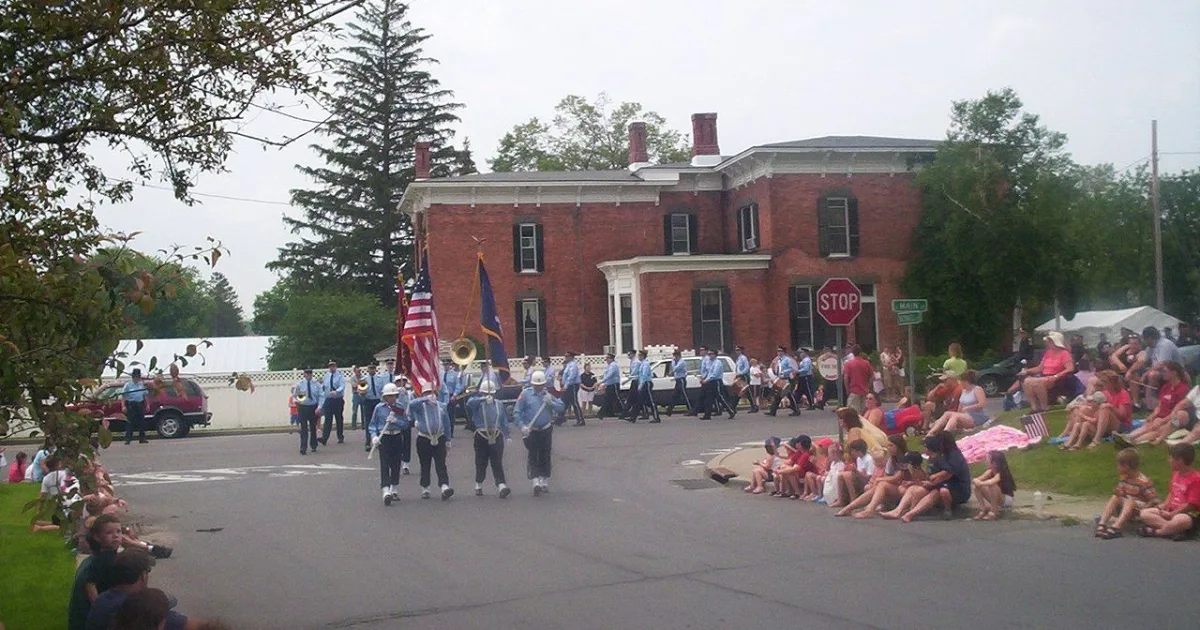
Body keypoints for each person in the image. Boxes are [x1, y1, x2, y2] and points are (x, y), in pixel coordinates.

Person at [85, 550, 204, 630]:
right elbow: (195, 626)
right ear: (143, 575)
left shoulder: (103, 599)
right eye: (148, 571)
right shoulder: (138, 606)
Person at [882, 433, 971, 522]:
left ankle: (911, 513)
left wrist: (934, 479)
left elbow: (949, 473)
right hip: (942, 484)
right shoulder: (937, 457)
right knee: (913, 489)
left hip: (956, 487)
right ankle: (898, 510)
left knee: (932, 493)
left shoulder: (951, 456)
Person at [68, 514, 124, 630]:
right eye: (109, 533)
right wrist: (100, 609)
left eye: (119, 531)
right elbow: (90, 584)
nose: (116, 536)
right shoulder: (101, 560)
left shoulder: (98, 556)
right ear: (97, 537)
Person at [514, 370, 565, 496]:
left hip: (546, 429)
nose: (539, 387)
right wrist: (522, 426)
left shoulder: (548, 395)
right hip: (531, 430)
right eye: (537, 385)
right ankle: (535, 481)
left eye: (541, 385)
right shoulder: (525, 394)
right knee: (533, 454)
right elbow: (517, 412)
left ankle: (544, 479)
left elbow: (561, 408)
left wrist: (551, 403)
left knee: (545, 454)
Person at [1138, 443, 1200, 540]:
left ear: (1180, 460)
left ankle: (1157, 532)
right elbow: (1171, 493)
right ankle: (1175, 531)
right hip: (1171, 510)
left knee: (1180, 520)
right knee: (1144, 513)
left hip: (1187, 514)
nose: (1169, 461)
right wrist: (1163, 506)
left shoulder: (1196, 479)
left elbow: (1191, 505)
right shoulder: (1176, 474)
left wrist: (1172, 514)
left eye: (1171, 458)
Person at [1095, 448, 1158, 539]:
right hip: (1125, 507)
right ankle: (1102, 523)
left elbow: (1154, 500)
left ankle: (1117, 526)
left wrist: (1144, 508)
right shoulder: (1124, 478)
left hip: (1138, 508)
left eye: (1119, 465)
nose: (1117, 467)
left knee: (1130, 501)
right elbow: (1120, 493)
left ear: (1126, 466)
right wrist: (1119, 493)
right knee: (1115, 497)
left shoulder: (1143, 482)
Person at [1124, 361, 1191, 446]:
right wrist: (1153, 415)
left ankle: (1134, 441)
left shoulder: (1183, 389)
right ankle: (1129, 437)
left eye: (1165, 371)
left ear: (1174, 373)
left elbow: (1178, 411)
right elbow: (1159, 406)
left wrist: (1162, 420)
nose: (1163, 373)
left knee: (1157, 428)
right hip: (1161, 417)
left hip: (1174, 418)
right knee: (1149, 424)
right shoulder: (1166, 387)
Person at [842, 435, 909, 519]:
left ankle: (869, 510)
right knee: (878, 486)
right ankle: (850, 507)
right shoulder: (891, 459)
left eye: (891, 445)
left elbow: (898, 477)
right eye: (888, 445)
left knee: (882, 484)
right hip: (895, 486)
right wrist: (880, 480)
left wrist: (879, 479)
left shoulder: (906, 457)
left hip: (905, 487)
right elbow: (887, 475)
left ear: (898, 446)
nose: (888, 448)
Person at [1061, 371, 1132, 450]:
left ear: (1112, 383)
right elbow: (1091, 405)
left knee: (1105, 409)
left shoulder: (1123, 394)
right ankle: (1075, 434)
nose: (1103, 384)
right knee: (1084, 409)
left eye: (1105, 382)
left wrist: (1111, 407)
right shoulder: (1105, 392)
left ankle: (1097, 440)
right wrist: (1079, 407)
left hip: (1121, 425)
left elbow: (1122, 416)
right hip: (1105, 422)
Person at [466, 379, 511, 498]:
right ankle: (478, 483)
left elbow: (503, 420)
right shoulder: (477, 403)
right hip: (481, 435)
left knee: (497, 461)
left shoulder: (498, 404)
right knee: (481, 462)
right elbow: (469, 403)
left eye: (490, 393)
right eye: (485, 393)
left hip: (496, 434)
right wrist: (482, 399)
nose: (488, 395)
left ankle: (501, 485)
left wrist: (507, 435)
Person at [407, 390, 454, 500]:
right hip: (424, 438)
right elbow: (411, 405)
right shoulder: (420, 407)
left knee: (441, 463)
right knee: (425, 464)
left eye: (432, 393)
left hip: (439, 437)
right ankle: (425, 487)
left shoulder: (441, 406)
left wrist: (448, 439)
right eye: (427, 393)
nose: (430, 395)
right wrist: (425, 399)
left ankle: (444, 486)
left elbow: (447, 423)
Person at [368, 383, 409, 506]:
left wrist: (396, 421)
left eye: (393, 396)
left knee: (396, 463)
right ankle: (385, 490)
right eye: (389, 396)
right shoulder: (379, 408)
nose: (391, 398)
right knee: (385, 463)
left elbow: (406, 424)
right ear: (385, 397)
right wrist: (374, 436)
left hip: (396, 436)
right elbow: (372, 425)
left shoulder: (400, 407)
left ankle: (394, 488)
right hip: (384, 437)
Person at [1020, 331, 1076, 413]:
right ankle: (1034, 408)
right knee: (1027, 381)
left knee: (1037, 382)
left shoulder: (1064, 353)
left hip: (1059, 378)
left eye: (1049, 341)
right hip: (1045, 376)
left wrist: (1056, 376)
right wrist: (1026, 371)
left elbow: (1070, 368)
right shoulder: (1048, 353)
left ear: (1055, 342)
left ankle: (1044, 407)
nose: (1047, 343)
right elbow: (1040, 368)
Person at [971, 451, 1016, 520]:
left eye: (988, 460)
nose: (986, 462)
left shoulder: (1000, 473)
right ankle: (983, 508)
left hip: (1006, 499)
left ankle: (994, 510)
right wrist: (976, 481)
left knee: (993, 486)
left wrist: (981, 483)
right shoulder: (990, 471)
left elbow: (993, 481)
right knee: (977, 487)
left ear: (995, 463)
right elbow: (977, 479)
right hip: (997, 496)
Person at [831, 439, 874, 508]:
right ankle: (841, 499)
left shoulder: (869, 459)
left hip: (866, 481)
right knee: (841, 474)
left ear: (859, 451)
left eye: (853, 451)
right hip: (859, 479)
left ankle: (853, 499)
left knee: (847, 475)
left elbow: (868, 477)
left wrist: (855, 471)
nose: (852, 453)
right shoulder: (858, 459)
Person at [292, 368, 324, 455]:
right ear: (304, 375)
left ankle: (314, 445)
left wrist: (319, 407)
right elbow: (294, 396)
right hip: (303, 407)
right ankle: (303, 447)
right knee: (304, 428)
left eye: (310, 374)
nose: (308, 376)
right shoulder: (300, 384)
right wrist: (296, 401)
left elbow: (321, 396)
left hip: (313, 407)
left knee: (313, 427)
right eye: (307, 374)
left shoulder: (316, 384)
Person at [774, 435, 817, 499]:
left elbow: (796, 468)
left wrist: (780, 471)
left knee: (789, 471)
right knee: (784, 467)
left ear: (800, 444)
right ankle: (785, 491)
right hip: (800, 473)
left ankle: (797, 492)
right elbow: (789, 462)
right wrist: (779, 468)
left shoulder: (806, 454)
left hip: (805, 474)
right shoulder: (799, 452)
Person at [699, 348, 736, 420]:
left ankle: (731, 411)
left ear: (715, 355)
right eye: (709, 354)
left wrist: (706, 380)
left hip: (716, 381)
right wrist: (704, 379)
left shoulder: (717, 363)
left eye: (711, 354)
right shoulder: (710, 362)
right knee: (708, 399)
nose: (709, 356)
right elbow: (708, 372)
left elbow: (714, 374)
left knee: (721, 397)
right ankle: (707, 415)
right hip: (710, 382)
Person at [361, 363, 388, 452]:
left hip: (377, 401)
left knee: (379, 421)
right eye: (370, 368)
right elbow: (361, 391)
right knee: (369, 422)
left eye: (373, 368)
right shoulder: (364, 380)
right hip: (368, 401)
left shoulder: (380, 379)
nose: (372, 370)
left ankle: (378, 440)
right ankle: (368, 442)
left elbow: (383, 391)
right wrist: (362, 392)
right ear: (367, 370)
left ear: (375, 369)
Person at [318, 360, 346, 446]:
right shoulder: (326, 376)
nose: (331, 368)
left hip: (337, 399)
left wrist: (336, 391)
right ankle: (324, 438)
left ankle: (340, 436)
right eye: (330, 366)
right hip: (329, 400)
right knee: (327, 420)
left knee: (338, 419)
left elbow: (342, 386)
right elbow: (324, 386)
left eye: (333, 366)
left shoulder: (340, 376)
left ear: (336, 366)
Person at [120, 368, 151, 445]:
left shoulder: (141, 384)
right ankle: (128, 439)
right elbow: (123, 396)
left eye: (138, 376)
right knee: (130, 422)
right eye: (135, 376)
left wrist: (147, 404)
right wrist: (123, 406)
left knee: (141, 422)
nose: (137, 378)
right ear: (133, 377)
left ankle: (142, 438)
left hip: (140, 404)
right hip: (131, 404)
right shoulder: (128, 385)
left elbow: (145, 395)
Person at [766, 346, 798, 417]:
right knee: (778, 395)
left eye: (780, 351)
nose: (779, 353)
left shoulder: (787, 360)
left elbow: (791, 368)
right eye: (778, 351)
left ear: (784, 352)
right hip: (780, 379)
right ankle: (773, 411)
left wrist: (784, 372)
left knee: (789, 395)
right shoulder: (779, 360)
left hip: (785, 378)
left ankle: (796, 409)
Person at [842, 345, 874, 413]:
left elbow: (846, 378)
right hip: (865, 391)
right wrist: (868, 386)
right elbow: (872, 376)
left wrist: (847, 390)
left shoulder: (848, 364)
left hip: (854, 391)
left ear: (852, 352)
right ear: (860, 352)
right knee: (864, 412)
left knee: (853, 413)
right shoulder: (866, 363)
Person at [560, 351, 584, 426]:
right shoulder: (568, 365)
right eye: (565, 356)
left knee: (574, 403)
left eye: (567, 356)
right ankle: (559, 419)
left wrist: (565, 386)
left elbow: (571, 377)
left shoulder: (573, 365)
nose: (565, 358)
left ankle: (580, 420)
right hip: (569, 386)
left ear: (571, 357)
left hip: (572, 386)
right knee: (564, 402)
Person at [596, 353, 622, 420]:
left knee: (617, 398)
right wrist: (604, 381)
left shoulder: (613, 365)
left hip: (614, 384)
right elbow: (606, 375)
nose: (606, 360)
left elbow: (610, 375)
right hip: (609, 385)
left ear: (611, 359)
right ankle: (605, 413)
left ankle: (624, 411)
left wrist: (601, 382)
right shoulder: (609, 366)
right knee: (607, 399)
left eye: (607, 358)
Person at [733, 346, 758, 412]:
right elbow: (737, 368)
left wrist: (740, 373)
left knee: (746, 391)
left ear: (741, 350)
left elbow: (747, 368)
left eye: (738, 350)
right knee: (740, 391)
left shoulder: (743, 358)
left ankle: (754, 406)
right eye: (736, 350)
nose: (737, 351)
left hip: (744, 376)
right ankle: (734, 406)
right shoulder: (738, 359)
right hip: (739, 376)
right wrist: (736, 374)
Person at [621, 350, 641, 419]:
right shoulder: (632, 362)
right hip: (634, 380)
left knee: (632, 398)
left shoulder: (636, 362)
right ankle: (626, 414)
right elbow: (632, 373)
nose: (628, 356)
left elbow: (634, 373)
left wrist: (626, 380)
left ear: (633, 354)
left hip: (636, 381)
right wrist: (627, 374)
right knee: (634, 398)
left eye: (629, 354)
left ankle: (625, 414)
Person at [349, 365, 366, 431]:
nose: (359, 372)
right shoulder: (352, 378)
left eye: (360, 371)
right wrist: (360, 385)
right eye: (358, 371)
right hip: (356, 395)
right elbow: (354, 386)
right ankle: (353, 426)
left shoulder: (363, 377)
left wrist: (359, 385)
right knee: (354, 411)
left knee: (363, 411)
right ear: (355, 371)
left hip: (362, 395)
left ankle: (363, 425)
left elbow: (364, 386)